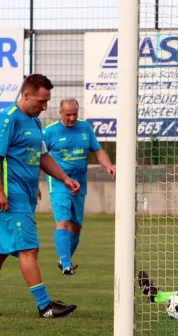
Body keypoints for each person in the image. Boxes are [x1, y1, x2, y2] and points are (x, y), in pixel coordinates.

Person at [0, 74, 80, 319]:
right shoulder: (7, 119)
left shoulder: (34, 123)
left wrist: (64, 178)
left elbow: (41, 157)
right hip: (9, 198)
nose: (45, 106)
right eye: (41, 101)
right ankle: (45, 306)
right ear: (26, 95)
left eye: (47, 101)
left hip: (22, 196)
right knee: (30, 249)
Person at [42, 98, 115, 275]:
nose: (72, 118)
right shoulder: (49, 132)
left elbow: (98, 150)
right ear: (61, 113)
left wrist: (108, 165)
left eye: (75, 114)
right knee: (63, 222)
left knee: (76, 227)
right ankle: (67, 264)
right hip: (59, 183)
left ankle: (63, 259)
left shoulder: (85, 128)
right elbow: (39, 157)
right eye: (68, 114)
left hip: (80, 183)